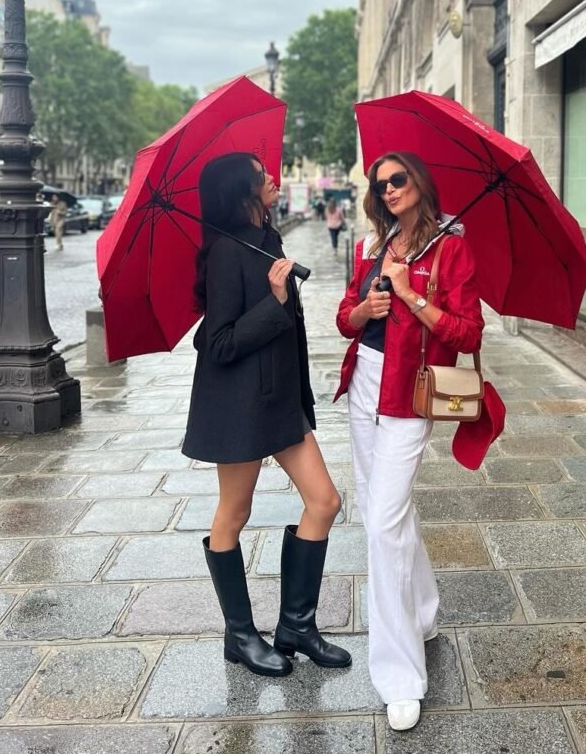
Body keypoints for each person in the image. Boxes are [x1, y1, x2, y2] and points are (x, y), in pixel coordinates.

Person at [183, 152, 350, 678]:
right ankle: (239, 635)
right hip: (238, 407)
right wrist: (275, 299)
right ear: (242, 192)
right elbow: (219, 343)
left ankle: (296, 625)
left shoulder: (267, 241)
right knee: (234, 513)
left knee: (324, 501)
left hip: (280, 402)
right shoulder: (225, 254)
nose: (271, 178)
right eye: (260, 175)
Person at [335, 151, 483, 732]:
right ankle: (422, 612)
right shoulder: (374, 245)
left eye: (398, 180)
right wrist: (363, 307)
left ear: (420, 182)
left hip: (409, 394)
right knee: (386, 515)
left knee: (380, 523)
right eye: (381, 185)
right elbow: (345, 317)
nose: (390, 190)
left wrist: (411, 295)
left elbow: (467, 330)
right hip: (363, 386)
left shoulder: (451, 247)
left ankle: (400, 674)